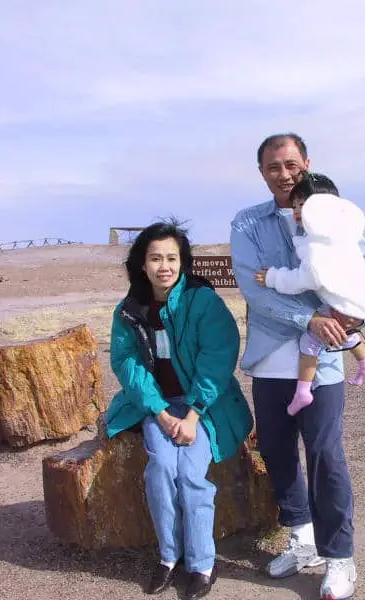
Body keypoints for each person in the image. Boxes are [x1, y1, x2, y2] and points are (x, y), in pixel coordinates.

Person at [230, 133, 365, 600]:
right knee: (276, 451)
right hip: (271, 360)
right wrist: (308, 317)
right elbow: (255, 290)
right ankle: (303, 537)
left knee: (325, 456)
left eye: (291, 164)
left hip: (326, 365)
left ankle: (340, 557)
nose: (284, 174)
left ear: (306, 162)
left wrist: (357, 317)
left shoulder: (330, 210)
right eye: (273, 166)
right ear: (261, 172)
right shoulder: (248, 223)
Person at [104, 220, 253, 600]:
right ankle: (169, 558)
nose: (164, 266)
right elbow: (127, 363)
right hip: (159, 407)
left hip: (203, 405)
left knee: (190, 474)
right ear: (142, 263)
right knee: (161, 468)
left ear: (183, 262)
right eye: (155, 258)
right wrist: (160, 412)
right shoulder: (130, 310)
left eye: (172, 258)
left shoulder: (201, 301)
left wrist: (193, 413)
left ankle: (202, 563)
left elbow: (217, 357)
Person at [253, 172, 365, 416]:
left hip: (346, 305)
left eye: (306, 205)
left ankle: (303, 390)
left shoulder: (318, 247)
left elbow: (302, 279)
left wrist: (272, 277)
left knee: (310, 341)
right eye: (297, 204)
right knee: (341, 331)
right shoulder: (342, 236)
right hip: (356, 301)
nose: (299, 210)